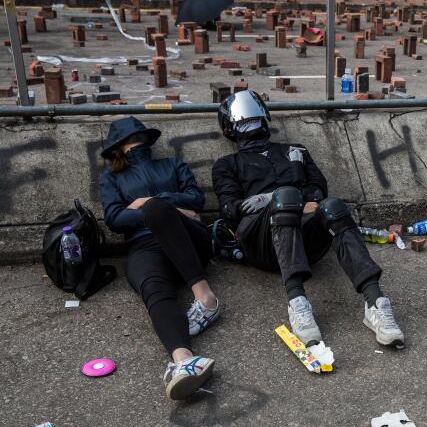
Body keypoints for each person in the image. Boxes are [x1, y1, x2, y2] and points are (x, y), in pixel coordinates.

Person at [211, 90, 405, 348]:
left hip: (306, 240)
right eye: (244, 123)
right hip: (261, 243)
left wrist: (297, 200)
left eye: (255, 120)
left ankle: (375, 302)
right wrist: (271, 199)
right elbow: (229, 208)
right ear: (232, 130)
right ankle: (297, 302)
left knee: (333, 207)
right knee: (285, 196)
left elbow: (318, 188)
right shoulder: (227, 164)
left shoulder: (295, 151)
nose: (252, 127)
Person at [99, 117, 221, 400]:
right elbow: (114, 219)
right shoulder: (112, 178)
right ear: (121, 147)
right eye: (135, 140)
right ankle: (184, 360)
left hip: (190, 241)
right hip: (145, 246)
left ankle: (206, 298)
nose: (140, 144)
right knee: (153, 287)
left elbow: (196, 199)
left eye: (142, 138)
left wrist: (155, 205)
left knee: (155, 209)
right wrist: (174, 208)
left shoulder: (172, 164)